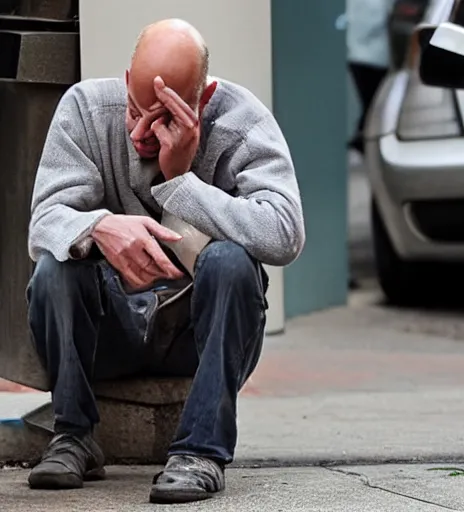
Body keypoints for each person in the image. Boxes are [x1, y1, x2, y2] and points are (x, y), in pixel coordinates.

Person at [26, 18, 305, 504]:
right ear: (126, 75)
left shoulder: (243, 122)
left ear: (205, 96)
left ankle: (201, 453)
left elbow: (284, 235)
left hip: (191, 335)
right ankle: (72, 435)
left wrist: (181, 183)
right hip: (108, 329)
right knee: (55, 264)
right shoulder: (88, 108)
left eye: (163, 118)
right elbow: (43, 222)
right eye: (135, 108)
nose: (140, 131)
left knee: (232, 263)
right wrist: (97, 226)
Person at [347, 0, 395, 155]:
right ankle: (364, 139)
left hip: (356, 53)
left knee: (369, 102)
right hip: (375, 56)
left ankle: (361, 137)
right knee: (373, 103)